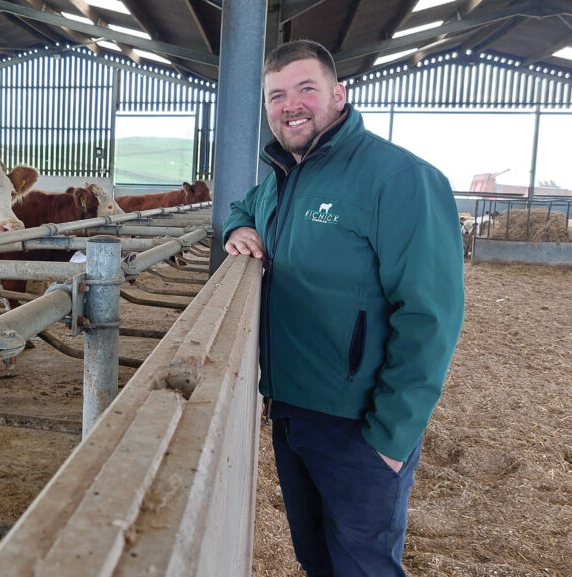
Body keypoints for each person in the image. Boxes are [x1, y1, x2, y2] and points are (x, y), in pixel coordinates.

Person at [223, 40, 464, 576]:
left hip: (360, 426)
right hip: (291, 415)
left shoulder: (399, 177)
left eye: (306, 88)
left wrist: (391, 437)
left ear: (339, 93)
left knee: (363, 566)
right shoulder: (283, 179)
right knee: (317, 560)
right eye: (276, 95)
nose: (291, 105)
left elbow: (430, 317)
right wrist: (237, 228)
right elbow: (241, 206)